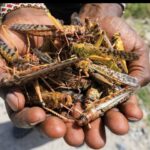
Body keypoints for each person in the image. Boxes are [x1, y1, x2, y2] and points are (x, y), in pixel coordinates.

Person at [0, 3, 150, 149]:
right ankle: (31, 124)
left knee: (50, 117)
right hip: (48, 23)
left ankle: (43, 122)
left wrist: (104, 6)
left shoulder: (86, 52)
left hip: (94, 65)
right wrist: (19, 6)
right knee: (31, 108)